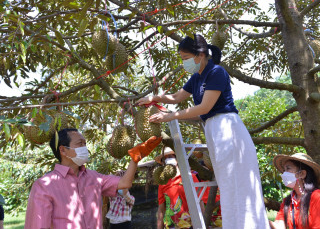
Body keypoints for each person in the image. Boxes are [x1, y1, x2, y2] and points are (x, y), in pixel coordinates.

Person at [137, 34, 269, 228]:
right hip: (213, 130)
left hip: (228, 129)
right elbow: (176, 96)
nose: (184, 63)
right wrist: (153, 98)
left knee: (239, 184)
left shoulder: (217, 72)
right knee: (228, 186)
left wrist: (170, 116)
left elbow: (205, 107)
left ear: (199, 55)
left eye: (185, 58)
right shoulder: (196, 77)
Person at [25, 128, 161, 229]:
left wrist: (135, 158)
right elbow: (37, 225)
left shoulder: (94, 177)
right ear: (63, 150)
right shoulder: (44, 186)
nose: (85, 148)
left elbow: (125, 182)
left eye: (85, 143)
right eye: (80, 144)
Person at [155, 147, 205, 229]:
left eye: (170, 156)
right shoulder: (163, 183)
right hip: (171, 225)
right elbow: (161, 209)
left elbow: (200, 202)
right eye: (165, 158)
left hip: (191, 224)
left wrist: (203, 224)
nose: (168, 160)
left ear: (177, 158)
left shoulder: (190, 177)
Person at [270, 153, 320, 229]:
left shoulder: (316, 197)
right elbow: (279, 226)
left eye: (288, 168)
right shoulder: (287, 201)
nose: (284, 173)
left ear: (302, 174)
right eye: (284, 170)